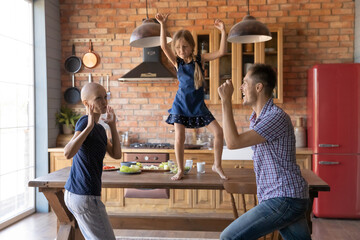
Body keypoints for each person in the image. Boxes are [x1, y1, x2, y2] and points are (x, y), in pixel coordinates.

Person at [218, 64, 311, 240]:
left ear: (258, 87)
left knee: (229, 237)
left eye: (245, 83)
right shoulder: (258, 119)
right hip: (287, 197)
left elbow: (232, 142)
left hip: (284, 197)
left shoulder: (275, 117)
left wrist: (225, 101)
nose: (241, 88)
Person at [155, 13, 228, 181]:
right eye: (178, 48)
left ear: (192, 46)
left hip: (198, 106)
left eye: (185, 47)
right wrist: (162, 25)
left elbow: (222, 52)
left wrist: (223, 31)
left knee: (219, 132)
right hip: (180, 104)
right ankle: (180, 170)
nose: (181, 51)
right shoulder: (177, 62)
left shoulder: (199, 60)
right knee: (179, 138)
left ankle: (217, 165)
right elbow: (163, 47)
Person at [63, 82, 122, 240]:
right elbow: (67, 153)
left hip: (78, 194)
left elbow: (116, 154)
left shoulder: (100, 129)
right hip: (84, 195)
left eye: (105, 97)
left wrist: (113, 126)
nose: (104, 102)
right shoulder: (84, 123)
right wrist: (89, 126)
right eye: (98, 98)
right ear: (86, 103)